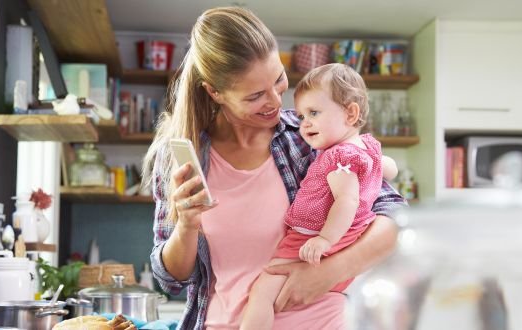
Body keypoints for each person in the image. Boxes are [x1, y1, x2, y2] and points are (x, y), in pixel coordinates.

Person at [141, 7, 407, 330]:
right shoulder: (182, 159)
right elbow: (171, 280)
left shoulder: (310, 138)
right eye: (255, 96)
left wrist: (325, 274)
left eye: (279, 79)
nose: (276, 102)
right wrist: (186, 225)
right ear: (215, 93)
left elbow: (395, 221)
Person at [240, 63, 397, 329]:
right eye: (302, 116)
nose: (305, 123)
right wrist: (380, 165)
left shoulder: (338, 157)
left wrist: (324, 239)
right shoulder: (367, 147)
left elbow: (347, 201)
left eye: (314, 112)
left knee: (262, 293)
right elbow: (388, 169)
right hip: (350, 240)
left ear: (351, 113)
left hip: (311, 241)